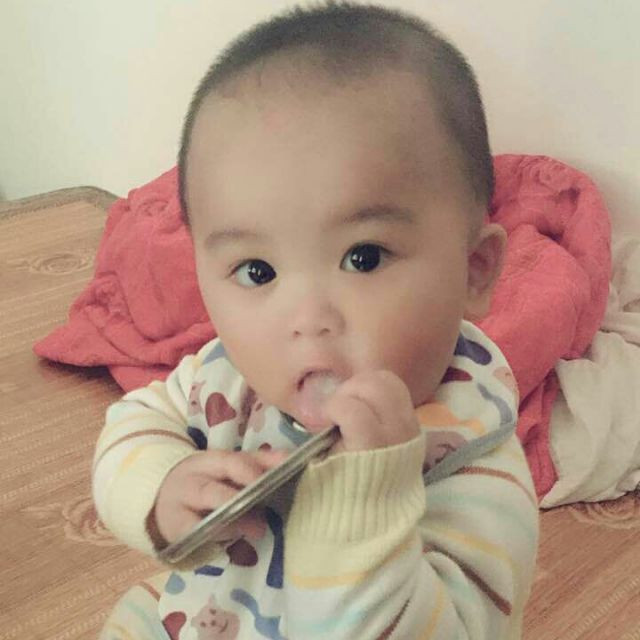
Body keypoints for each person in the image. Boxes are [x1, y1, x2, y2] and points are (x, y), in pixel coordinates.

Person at [94, 2, 539, 639]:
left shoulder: (474, 470)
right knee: (136, 613)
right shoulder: (230, 382)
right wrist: (161, 488)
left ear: (474, 270)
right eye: (256, 271)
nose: (306, 321)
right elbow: (136, 421)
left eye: (364, 257)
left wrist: (364, 508)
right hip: (217, 615)